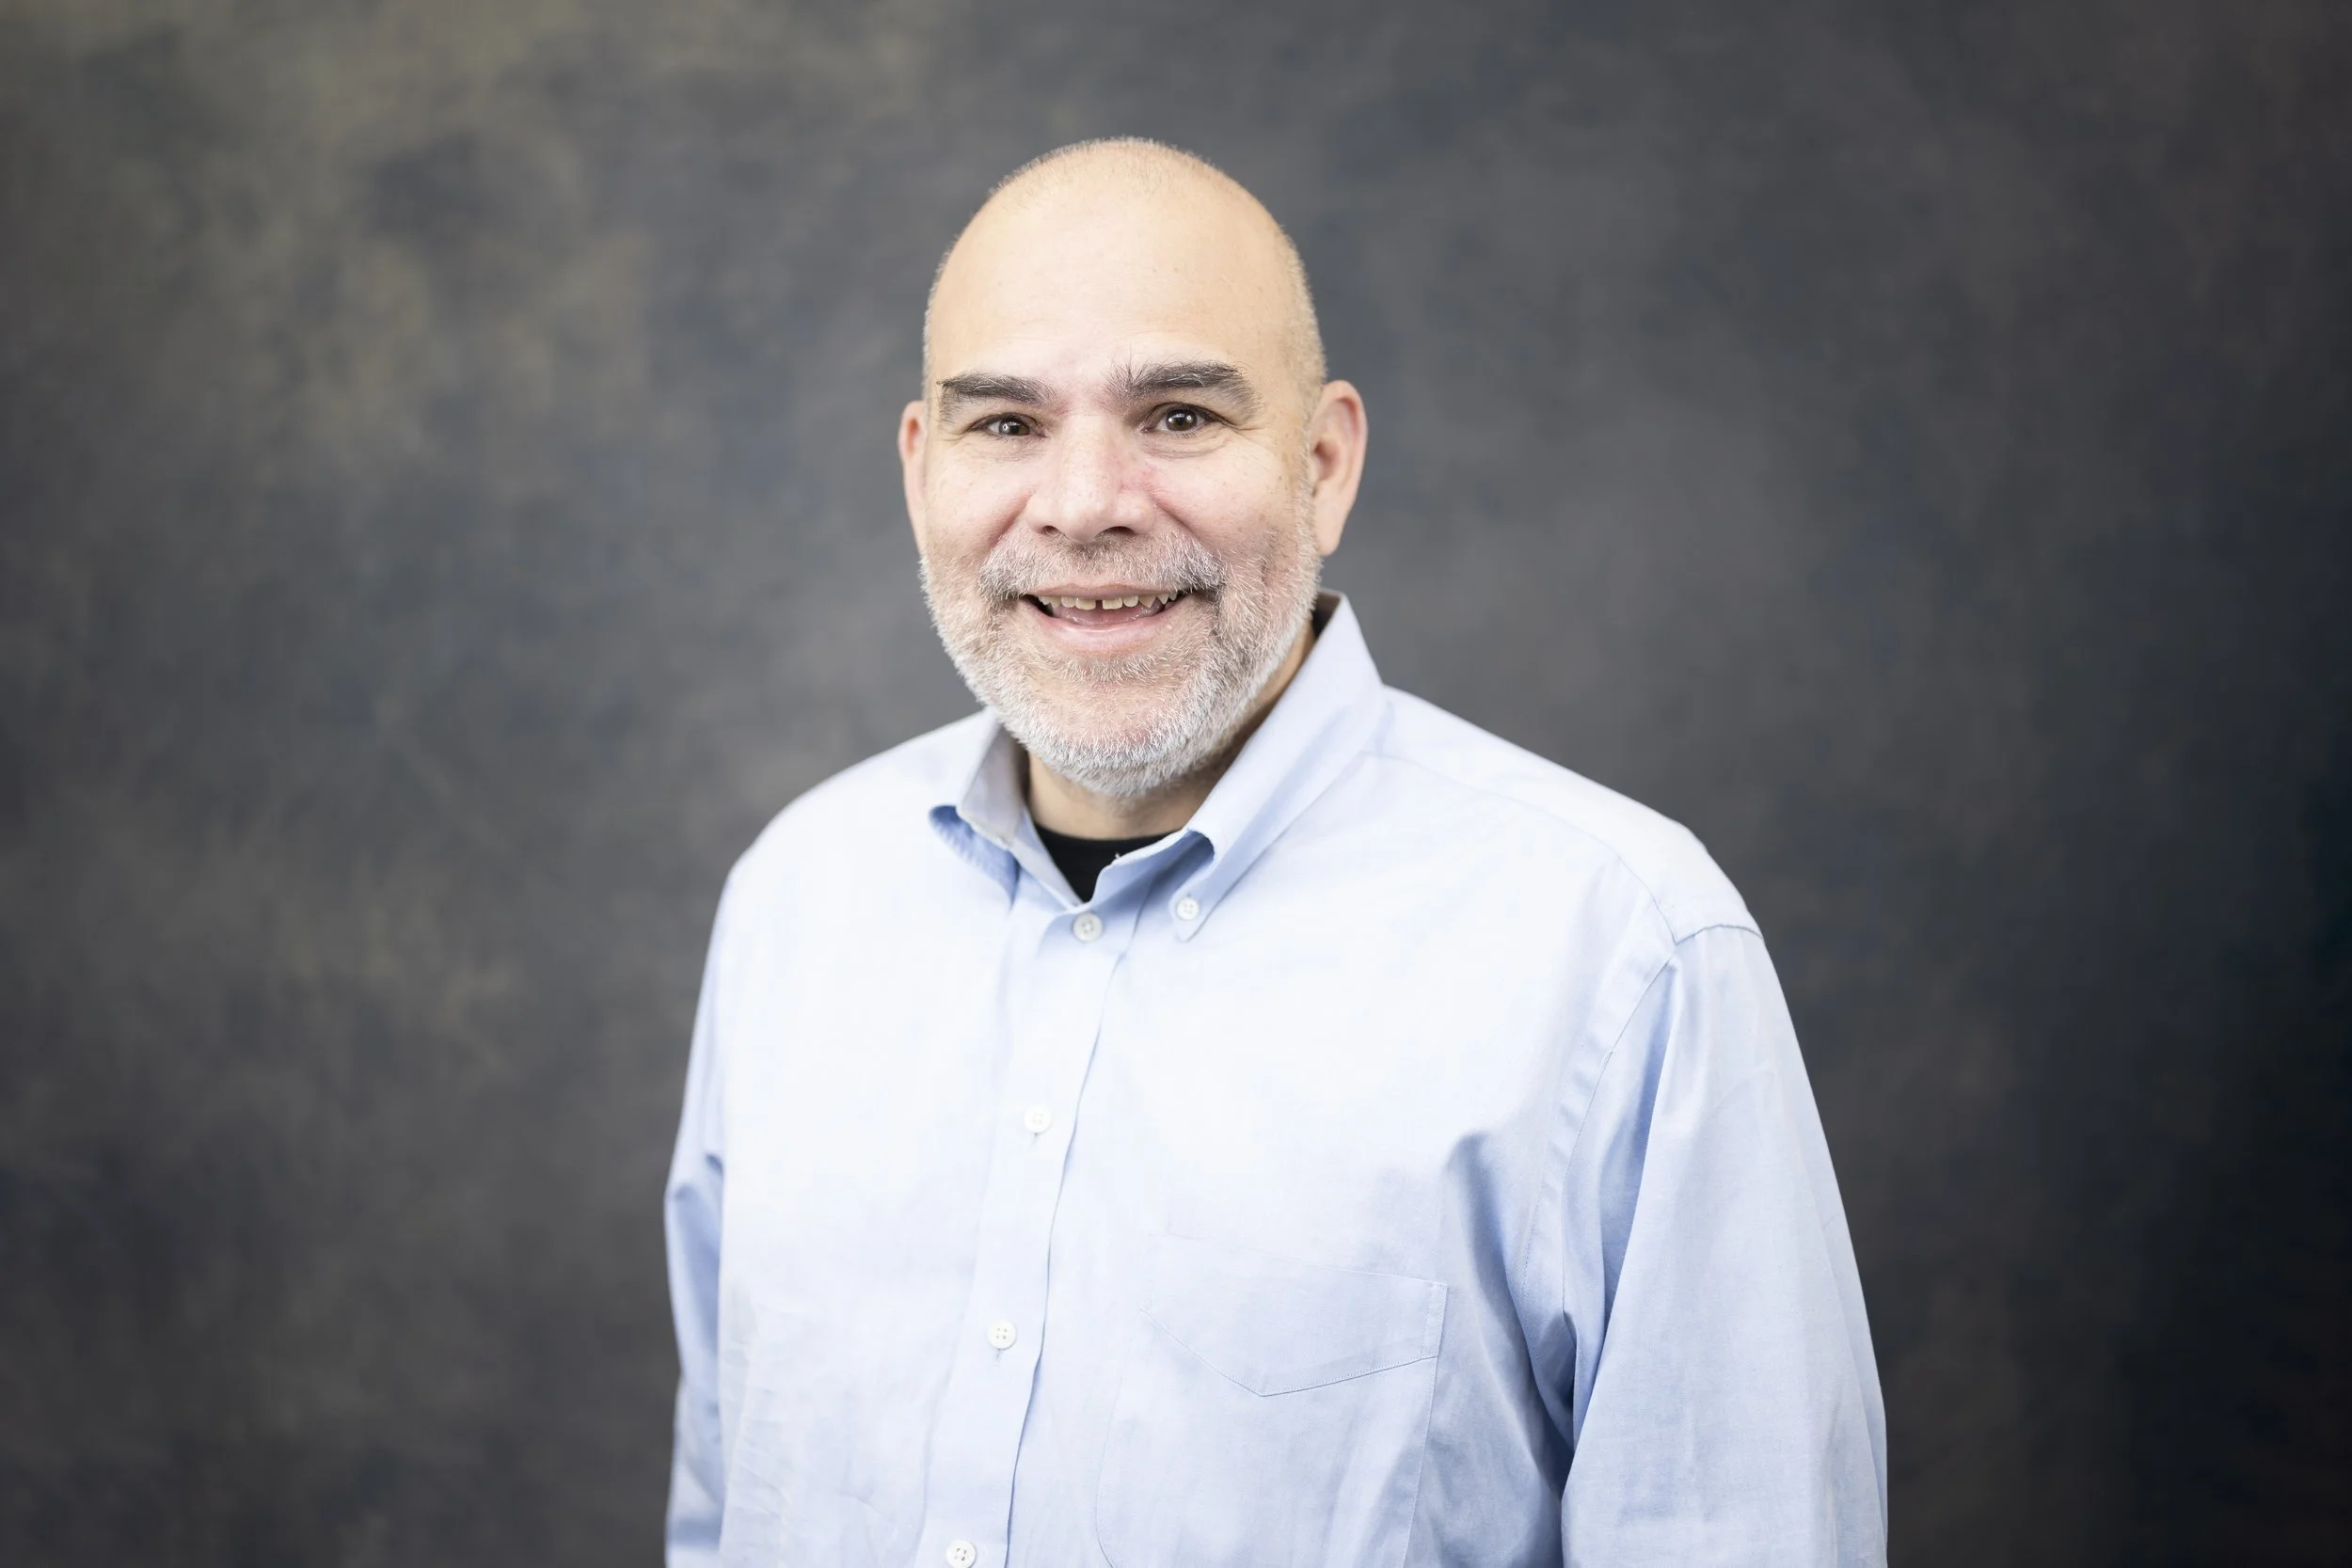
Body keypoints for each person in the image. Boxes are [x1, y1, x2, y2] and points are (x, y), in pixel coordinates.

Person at [662, 137, 1886, 1568]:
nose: (1083, 504)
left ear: (1324, 463)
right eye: (1007, 424)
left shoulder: (1622, 946)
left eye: (1179, 415)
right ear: (922, 468)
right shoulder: (799, 903)